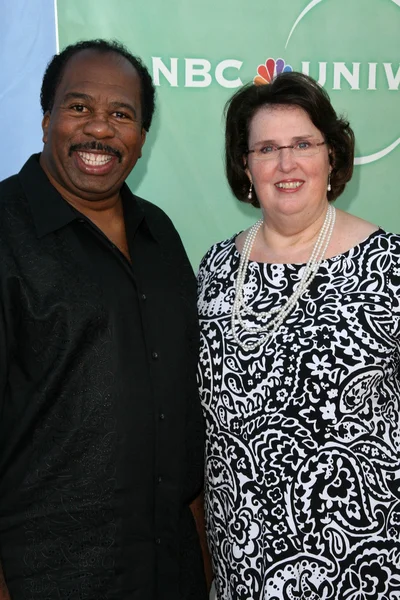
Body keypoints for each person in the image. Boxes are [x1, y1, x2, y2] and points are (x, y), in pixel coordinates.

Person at [0, 39, 208, 600]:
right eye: (79, 108)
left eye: (122, 114)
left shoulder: (159, 233)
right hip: (47, 576)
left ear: (142, 136)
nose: (100, 129)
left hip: (172, 568)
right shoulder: (5, 232)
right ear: (46, 120)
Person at [197, 71, 400, 599]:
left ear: (331, 156)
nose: (286, 164)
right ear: (245, 166)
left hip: (361, 562)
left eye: (303, 144)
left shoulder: (390, 266)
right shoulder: (216, 268)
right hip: (240, 558)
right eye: (266, 148)